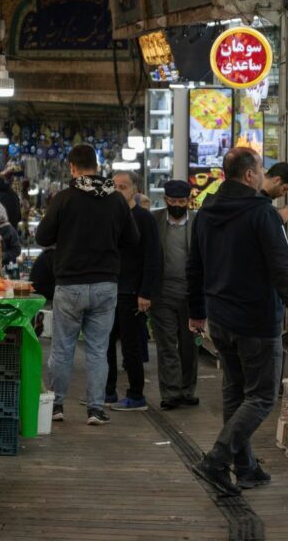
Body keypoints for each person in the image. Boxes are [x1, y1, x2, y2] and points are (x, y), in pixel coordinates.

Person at [186, 147, 288, 496]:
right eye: (260, 168)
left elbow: (194, 267)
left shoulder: (206, 212)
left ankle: (246, 467)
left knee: (236, 393)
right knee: (262, 396)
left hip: (220, 319)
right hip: (255, 319)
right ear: (251, 175)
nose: (262, 174)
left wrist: (196, 311)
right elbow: (281, 268)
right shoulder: (262, 215)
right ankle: (216, 460)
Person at [35, 145, 139, 426]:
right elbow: (132, 239)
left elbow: (42, 237)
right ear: (97, 165)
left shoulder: (64, 199)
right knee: (98, 350)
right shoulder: (116, 201)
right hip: (106, 284)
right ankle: (95, 408)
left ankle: (56, 405)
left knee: (62, 348)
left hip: (70, 285)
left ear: (72, 167)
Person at [104, 171, 161, 411]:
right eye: (114, 186)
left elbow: (153, 257)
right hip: (107, 290)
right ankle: (107, 392)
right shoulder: (107, 217)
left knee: (131, 346)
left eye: (123, 186)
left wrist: (145, 292)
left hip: (131, 292)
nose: (118, 190)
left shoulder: (144, 218)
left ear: (134, 190)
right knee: (104, 345)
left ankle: (136, 395)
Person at [150, 180, 200, 410]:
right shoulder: (155, 221)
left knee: (189, 346)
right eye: (173, 201)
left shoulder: (199, 222)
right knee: (167, 345)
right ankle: (170, 393)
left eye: (182, 202)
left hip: (192, 293)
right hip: (162, 293)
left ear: (188, 201)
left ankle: (187, 390)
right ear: (166, 200)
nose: (177, 205)